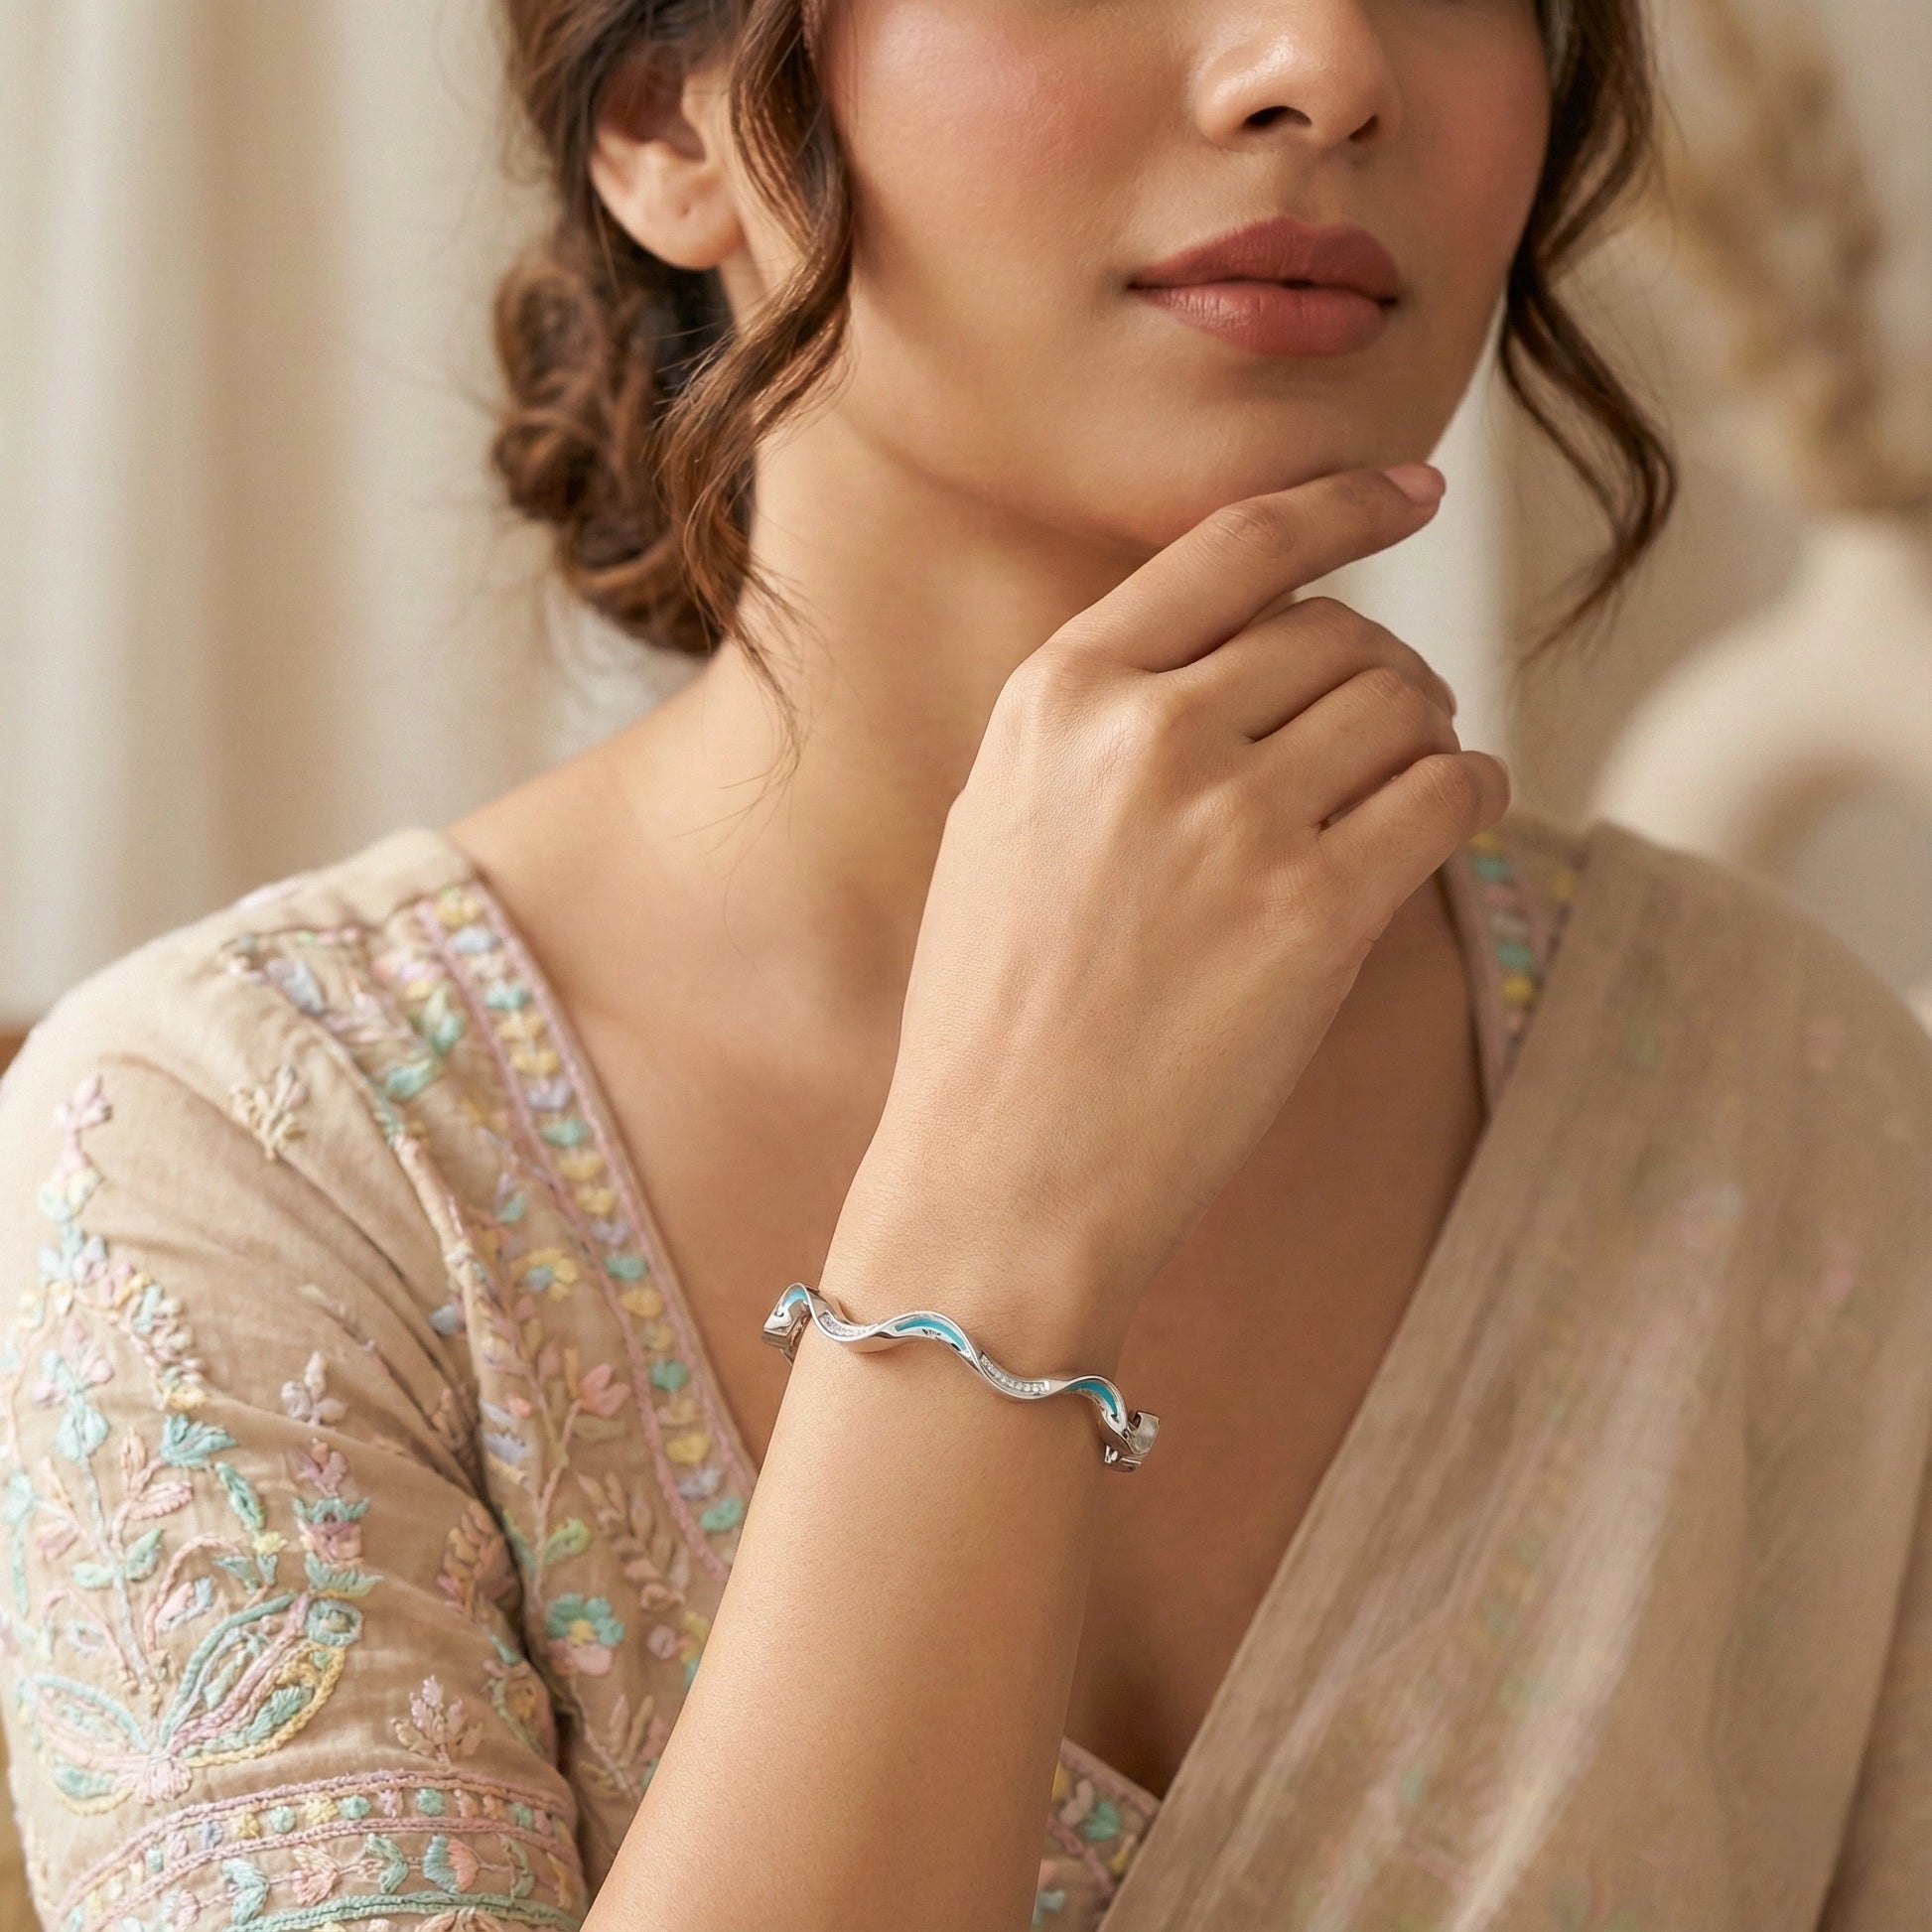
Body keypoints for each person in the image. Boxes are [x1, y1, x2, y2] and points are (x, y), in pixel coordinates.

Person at [2, 0, 1930, 1926]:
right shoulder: (237, 1159)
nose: (1323, 62)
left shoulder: (1793, 1103)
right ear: (668, 115)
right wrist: (1002, 1221)